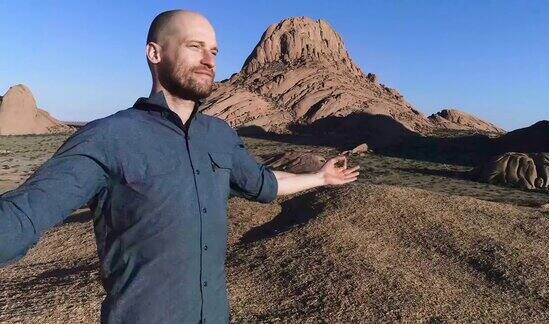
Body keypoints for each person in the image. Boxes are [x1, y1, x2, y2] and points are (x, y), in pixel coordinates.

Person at [0, 9, 360, 323]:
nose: (209, 59)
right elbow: (25, 214)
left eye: (214, 50)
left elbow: (264, 183)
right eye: (194, 46)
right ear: (154, 53)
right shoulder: (108, 137)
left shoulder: (219, 135)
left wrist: (320, 177)